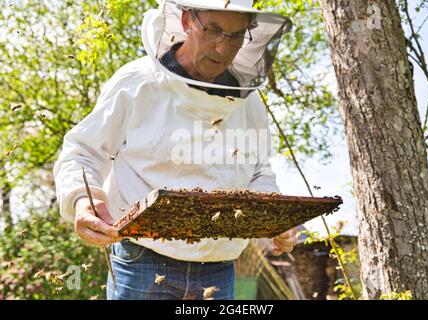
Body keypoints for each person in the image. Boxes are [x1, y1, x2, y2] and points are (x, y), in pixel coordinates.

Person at [53, 0, 295, 300]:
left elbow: (258, 170)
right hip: (143, 261)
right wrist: (82, 201)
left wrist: (274, 218)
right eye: (213, 30)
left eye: (235, 36)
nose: (222, 48)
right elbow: (83, 151)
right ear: (185, 20)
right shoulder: (138, 83)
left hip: (219, 268)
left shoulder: (248, 102)